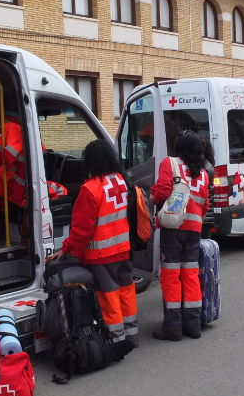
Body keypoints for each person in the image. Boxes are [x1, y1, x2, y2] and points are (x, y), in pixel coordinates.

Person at [55, 140, 138, 346]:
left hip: (102, 254)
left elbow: (82, 230)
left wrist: (66, 249)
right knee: (126, 289)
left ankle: (116, 339)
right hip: (123, 248)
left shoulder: (90, 189)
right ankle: (131, 333)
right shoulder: (120, 180)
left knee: (108, 295)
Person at [150, 131, 210, 341]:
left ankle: (173, 328)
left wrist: (152, 196)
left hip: (174, 228)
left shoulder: (170, 163)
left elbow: (163, 191)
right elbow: (205, 204)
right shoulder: (203, 173)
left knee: (171, 276)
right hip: (194, 229)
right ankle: (193, 326)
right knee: (190, 276)